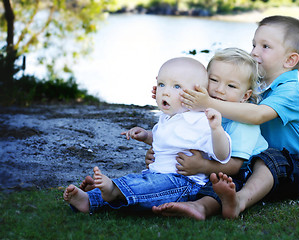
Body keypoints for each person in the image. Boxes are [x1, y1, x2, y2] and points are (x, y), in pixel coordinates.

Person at [152, 15, 299, 220]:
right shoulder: (251, 86)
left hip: (296, 170)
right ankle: (201, 207)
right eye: (254, 44)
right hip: (247, 162)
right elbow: (208, 101)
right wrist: (173, 94)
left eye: (265, 46)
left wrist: (207, 102)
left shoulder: (291, 91)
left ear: (290, 60)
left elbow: (257, 115)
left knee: (268, 159)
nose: (254, 51)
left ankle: (241, 200)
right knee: (226, 179)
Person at [63, 57, 232, 213]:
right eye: (161, 84)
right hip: (155, 175)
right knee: (140, 184)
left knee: (144, 187)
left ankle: (111, 190)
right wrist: (146, 136)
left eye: (177, 86)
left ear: (197, 93)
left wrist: (217, 130)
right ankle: (90, 200)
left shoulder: (200, 121)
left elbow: (222, 155)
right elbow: (164, 140)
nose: (165, 92)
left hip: (184, 184)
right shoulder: (168, 117)